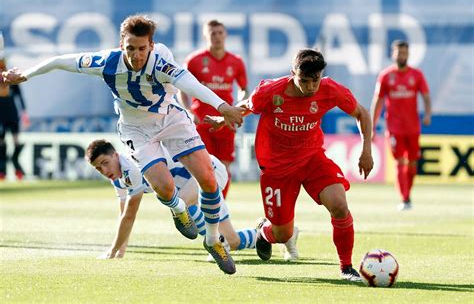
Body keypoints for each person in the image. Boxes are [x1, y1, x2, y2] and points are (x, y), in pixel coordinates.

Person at [1, 15, 244, 274]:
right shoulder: (107, 62)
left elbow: (191, 84)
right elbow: (62, 61)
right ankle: (179, 209)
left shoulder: (161, 63)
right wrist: (25, 74)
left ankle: (212, 240)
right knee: (164, 188)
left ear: (151, 45)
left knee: (208, 178)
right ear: (121, 45)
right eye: (130, 48)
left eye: (141, 48)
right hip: (136, 129)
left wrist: (223, 106)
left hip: (171, 119)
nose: (136, 55)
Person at [205, 48, 374, 281]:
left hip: (312, 158)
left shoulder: (329, 89)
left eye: (315, 81)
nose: (311, 87)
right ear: (293, 72)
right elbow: (248, 105)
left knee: (339, 206)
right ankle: (264, 233)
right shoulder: (271, 91)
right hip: (277, 168)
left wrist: (366, 149)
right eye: (304, 81)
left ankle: (346, 267)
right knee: (282, 233)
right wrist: (224, 118)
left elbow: (362, 113)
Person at [85, 139, 298, 261]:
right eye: (98, 168)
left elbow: (130, 214)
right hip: (195, 185)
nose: (104, 170)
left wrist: (113, 252)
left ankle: (214, 244)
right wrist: (121, 249)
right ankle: (276, 234)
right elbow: (124, 216)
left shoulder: (132, 167)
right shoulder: (119, 177)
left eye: (105, 163)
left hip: (210, 174)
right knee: (233, 241)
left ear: (116, 155)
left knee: (181, 205)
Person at [181, 20, 248, 199]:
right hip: (201, 123)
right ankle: (200, 205)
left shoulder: (236, 62)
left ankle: (220, 206)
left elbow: (243, 88)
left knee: (224, 167)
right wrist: (188, 110)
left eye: (220, 33)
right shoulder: (194, 61)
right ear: (206, 36)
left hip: (226, 122)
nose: (217, 37)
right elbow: (182, 87)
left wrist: (238, 107)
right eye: (213, 33)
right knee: (204, 167)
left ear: (225, 34)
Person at [371, 40, 431, 211]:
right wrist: (372, 126)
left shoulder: (417, 75)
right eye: (398, 52)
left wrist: (427, 114)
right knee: (399, 161)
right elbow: (378, 101)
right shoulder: (385, 76)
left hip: (413, 127)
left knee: (412, 163)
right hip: (394, 127)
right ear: (393, 54)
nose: (401, 55)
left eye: (404, 52)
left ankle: (408, 195)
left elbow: (426, 96)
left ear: (408, 54)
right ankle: (404, 198)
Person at [0, 33, 29, 181]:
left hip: (12, 112)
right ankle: (2, 170)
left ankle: (16, 164)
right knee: (2, 143)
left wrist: (24, 113)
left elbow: (19, 96)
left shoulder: (10, 76)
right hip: (0, 113)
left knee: (17, 142)